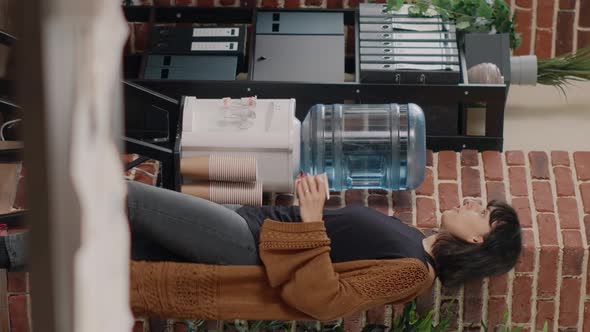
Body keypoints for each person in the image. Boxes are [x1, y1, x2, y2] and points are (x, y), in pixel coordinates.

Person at [0, 174, 522, 322]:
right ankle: (8, 255)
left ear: (478, 239)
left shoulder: (415, 273)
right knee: (120, 238)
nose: (474, 201)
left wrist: (314, 219)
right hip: (249, 225)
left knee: (125, 197)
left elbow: (322, 301)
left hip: (246, 249)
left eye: (484, 211)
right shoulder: (412, 237)